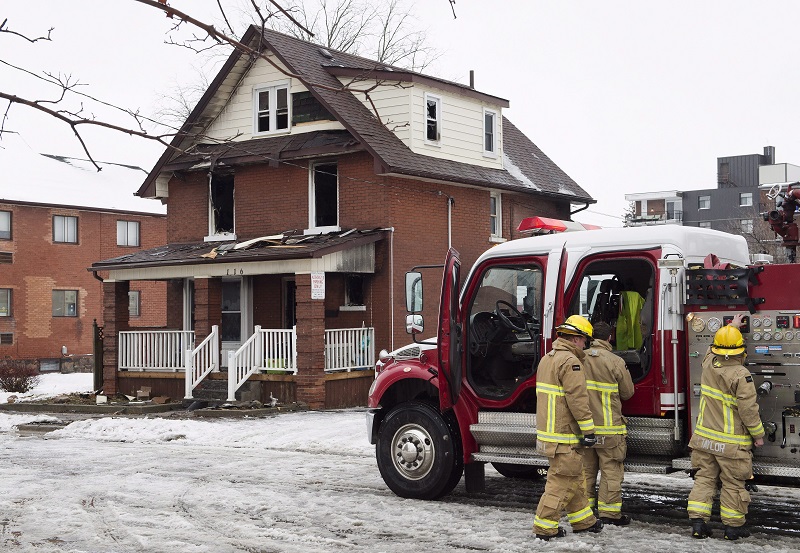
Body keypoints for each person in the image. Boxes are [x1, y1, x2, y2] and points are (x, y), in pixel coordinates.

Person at [687, 316, 764, 541]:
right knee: (733, 483)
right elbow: (749, 411)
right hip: (731, 444)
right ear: (741, 349)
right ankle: (732, 529)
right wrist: (758, 435)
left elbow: (713, 348)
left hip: (704, 440)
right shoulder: (742, 375)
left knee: (704, 479)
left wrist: (729, 327)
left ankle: (698, 524)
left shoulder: (708, 363)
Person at [533, 315, 603, 540]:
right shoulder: (571, 362)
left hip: (551, 433)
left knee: (575, 477)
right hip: (565, 435)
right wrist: (589, 431)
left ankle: (584, 521)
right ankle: (545, 527)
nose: (585, 345)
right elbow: (577, 400)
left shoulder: (548, 358)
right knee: (561, 481)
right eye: (584, 340)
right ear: (575, 339)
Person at [581, 322, 635, 524]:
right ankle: (609, 514)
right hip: (610, 429)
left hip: (585, 428)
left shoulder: (578, 359)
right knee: (611, 472)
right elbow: (627, 393)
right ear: (609, 337)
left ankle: (584, 513)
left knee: (586, 472)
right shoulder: (615, 361)